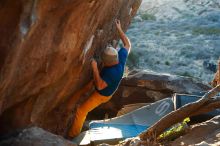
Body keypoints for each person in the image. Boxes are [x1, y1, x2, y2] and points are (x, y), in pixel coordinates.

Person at [68, 19, 131, 138]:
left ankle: (73, 136)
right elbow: (128, 44)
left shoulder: (112, 72)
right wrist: (119, 29)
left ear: (106, 62)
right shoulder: (121, 58)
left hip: (101, 95)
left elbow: (100, 85)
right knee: (90, 85)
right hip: (109, 88)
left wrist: (95, 68)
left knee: (81, 111)